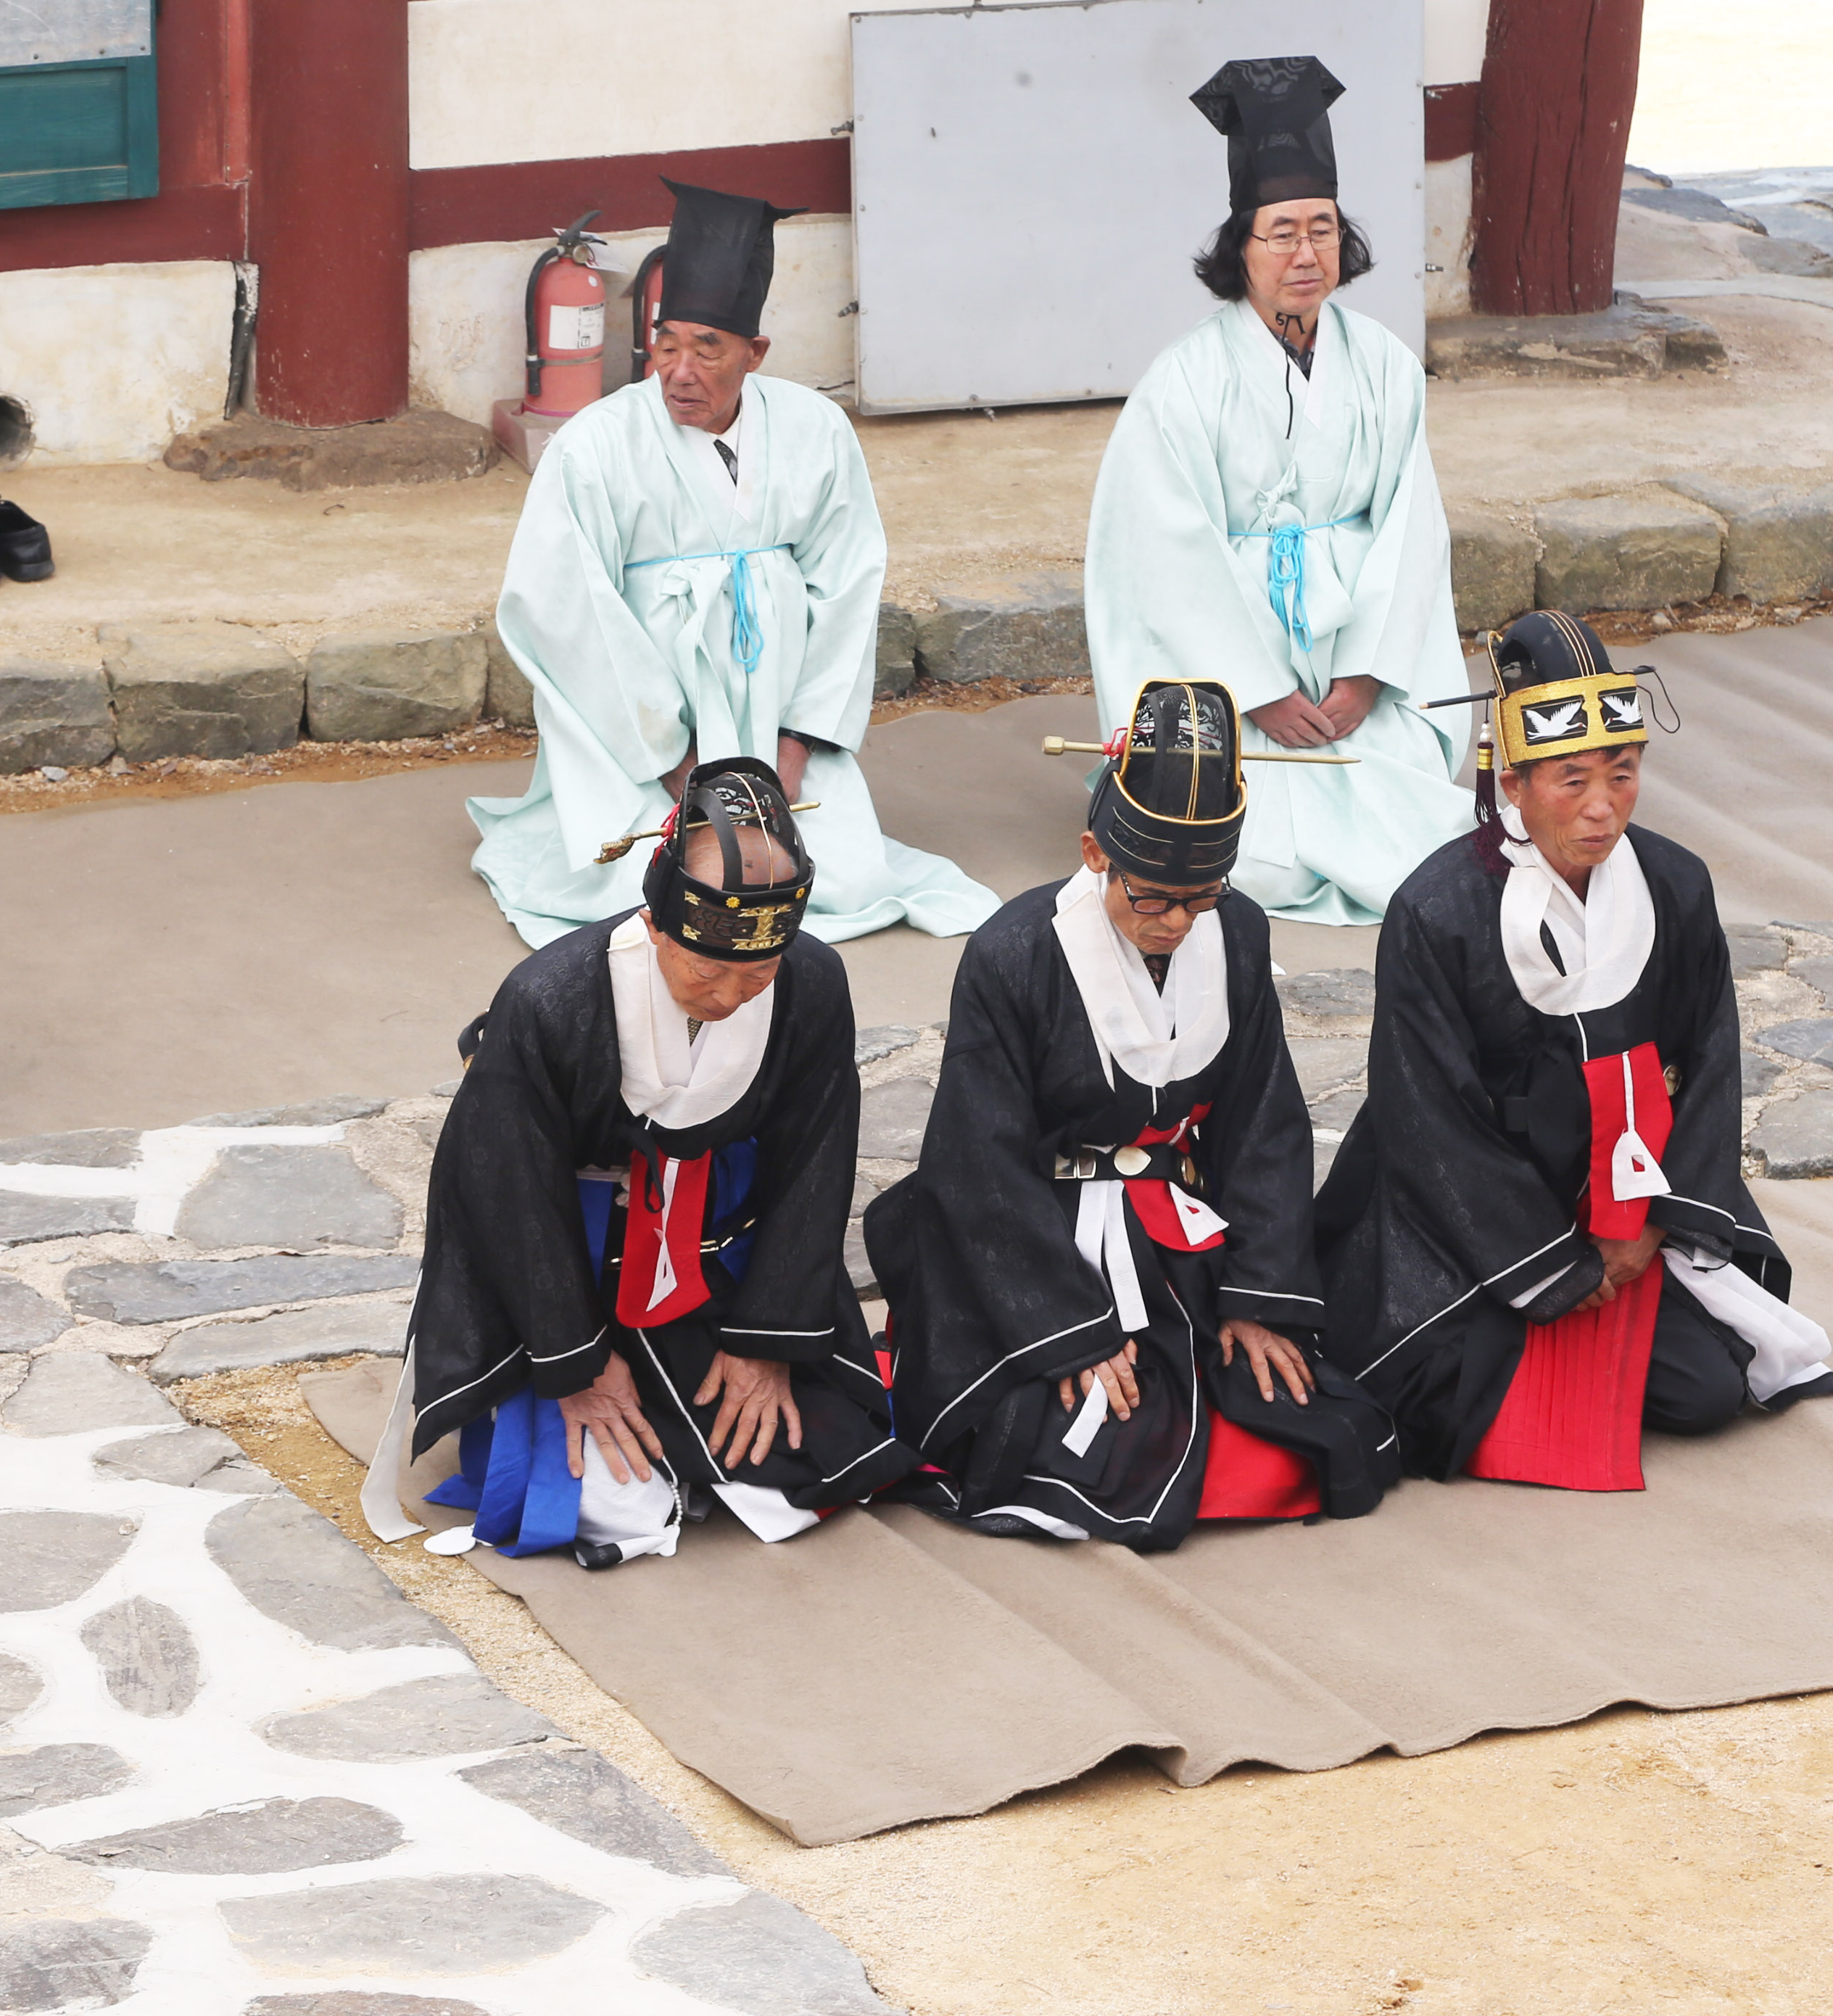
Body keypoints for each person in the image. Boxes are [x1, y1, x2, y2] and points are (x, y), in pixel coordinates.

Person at [861, 682, 1396, 1549]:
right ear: (1093, 851)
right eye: (1152, 896)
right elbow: (979, 1162)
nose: (1178, 922)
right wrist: (1066, 1332)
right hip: (1039, 1239)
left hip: (1177, 1229)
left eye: (1203, 896)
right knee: (1085, 1443)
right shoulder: (1014, 952)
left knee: (1308, 1420)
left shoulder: (1240, 933)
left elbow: (1264, 1118)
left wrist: (1259, 1297)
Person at [1318, 613, 1833, 1485]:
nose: (1602, 808)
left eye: (1621, 775)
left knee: (1708, 1392)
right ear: (1511, 783)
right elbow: (1426, 1116)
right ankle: (1523, 1311)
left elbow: (1709, 1065)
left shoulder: (1674, 883)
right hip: (1464, 1223)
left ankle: (1581, 1311)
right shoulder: (1435, 911)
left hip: (1627, 1210)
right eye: (1571, 780)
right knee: (1432, 1391)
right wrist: (1552, 1264)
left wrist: (1649, 1231)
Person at [367, 759, 914, 1566]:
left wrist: (766, 1338)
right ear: (657, 925)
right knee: (610, 1505)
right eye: (706, 968)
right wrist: (578, 1363)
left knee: (814, 1462)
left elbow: (814, 1159)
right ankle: (595, 1409)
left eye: (757, 972)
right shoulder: (551, 998)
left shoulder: (811, 983)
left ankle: (708, 1423)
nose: (730, 995)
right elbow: (505, 1193)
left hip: (713, 1257)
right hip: (571, 1267)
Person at [468, 179, 997, 950]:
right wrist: (674, 760)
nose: (679, 369)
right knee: (645, 885)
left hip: (771, 713)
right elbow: (562, 607)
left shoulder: (815, 429)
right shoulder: (596, 444)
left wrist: (794, 744)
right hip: (641, 739)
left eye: (707, 348)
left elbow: (847, 581)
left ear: (755, 352)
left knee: (842, 880)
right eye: (667, 342)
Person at [1082, 57, 1472, 925]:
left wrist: (1367, 674)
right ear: (1241, 248)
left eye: (1324, 229)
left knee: (1406, 806)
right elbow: (1164, 549)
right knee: (1239, 837)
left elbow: (1411, 526)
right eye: (1283, 231)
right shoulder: (1183, 380)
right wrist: (1254, 686)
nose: (1307, 254)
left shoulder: (1383, 366)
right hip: (1229, 663)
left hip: (1352, 651)